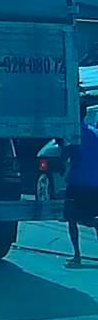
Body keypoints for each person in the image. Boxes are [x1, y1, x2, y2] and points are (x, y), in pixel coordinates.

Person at [63, 115, 98, 268]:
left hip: (77, 183)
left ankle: (77, 256)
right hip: (95, 183)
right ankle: (92, 221)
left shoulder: (72, 134)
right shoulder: (95, 131)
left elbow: (65, 155)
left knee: (71, 219)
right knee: (93, 215)